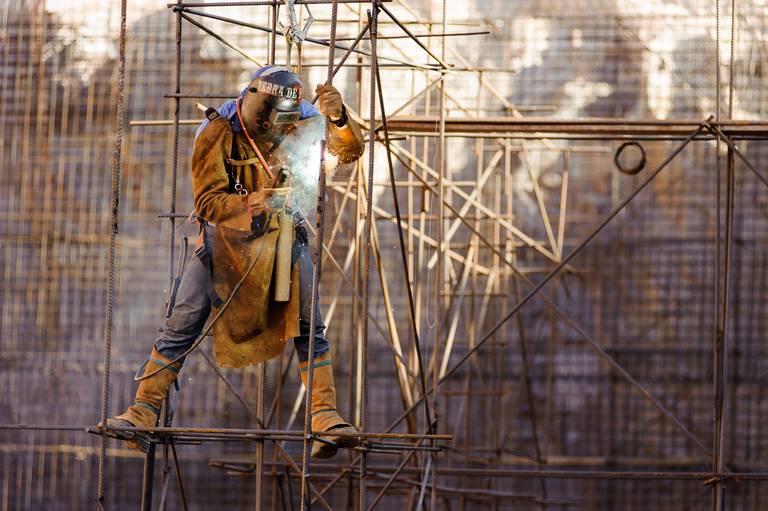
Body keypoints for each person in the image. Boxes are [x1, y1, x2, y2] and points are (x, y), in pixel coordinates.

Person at [104, 65, 365, 459]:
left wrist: (340, 118)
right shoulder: (217, 131)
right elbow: (207, 202)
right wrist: (253, 202)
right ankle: (143, 410)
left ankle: (324, 417)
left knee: (309, 327)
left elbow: (349, 152)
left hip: (282, 239)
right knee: (182, 321)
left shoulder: (307, 121)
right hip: (224, 241)